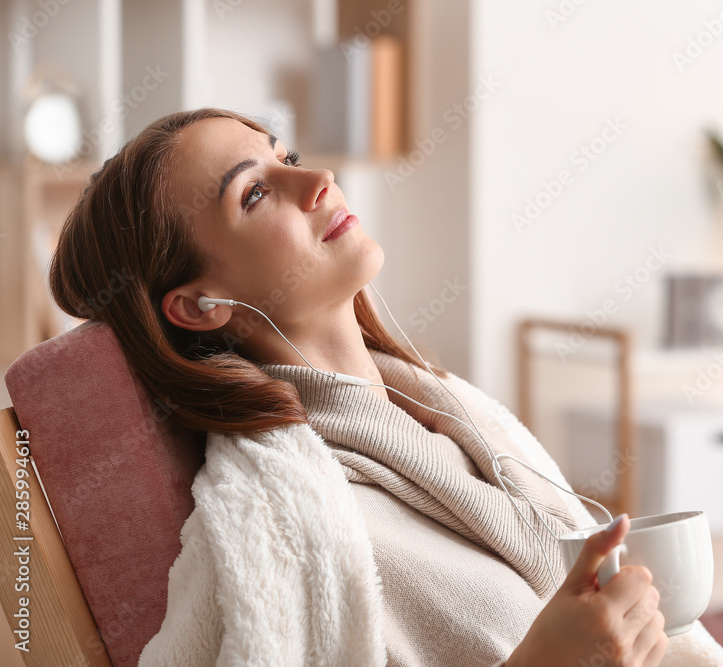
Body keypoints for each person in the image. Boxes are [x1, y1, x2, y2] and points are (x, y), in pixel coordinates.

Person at [47, 108, 670, 666]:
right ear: (200, 306)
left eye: (284, 156)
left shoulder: (446, 409)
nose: (317, 179)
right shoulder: (282, 530)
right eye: (256, 193)